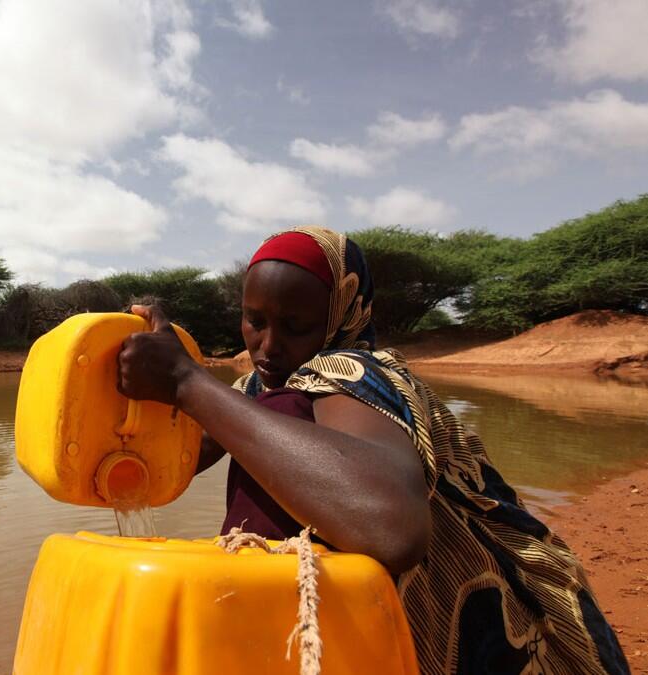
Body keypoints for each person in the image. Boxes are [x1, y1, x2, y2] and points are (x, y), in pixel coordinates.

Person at [117, 226, 628, 675]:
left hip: (495, 631)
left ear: (344, 310)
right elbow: (163, 473)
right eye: (254, 321)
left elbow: (391, 528)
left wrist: (187, 381)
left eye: (296, 327)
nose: (268, 346)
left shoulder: (354, 372)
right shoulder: (258, 389)